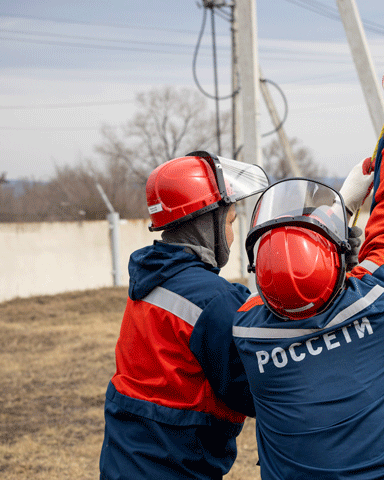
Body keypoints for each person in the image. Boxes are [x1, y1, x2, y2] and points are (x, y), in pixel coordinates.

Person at [232, 53, 384, 479]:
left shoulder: (249, 334)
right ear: (342, 263)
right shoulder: (380, 299)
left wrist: (340, 209)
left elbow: (285, 282)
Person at [99, 151, 269, 480]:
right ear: (209, 223)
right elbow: (254, 392)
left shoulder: (148, 279)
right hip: (176, 468)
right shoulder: (214, 301)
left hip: (126, 460)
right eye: (231, 221)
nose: (232, 234)